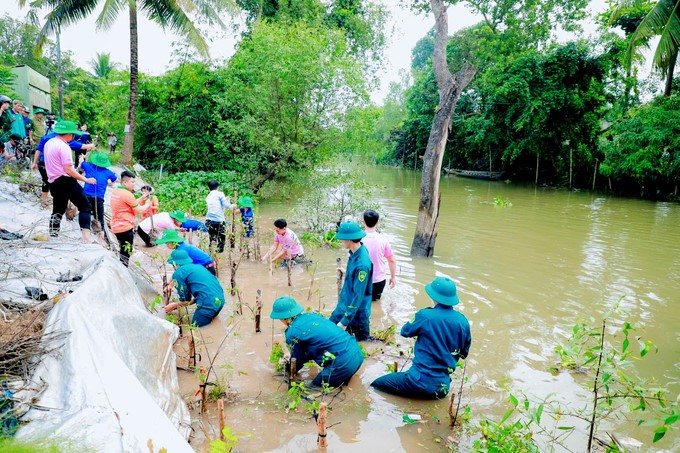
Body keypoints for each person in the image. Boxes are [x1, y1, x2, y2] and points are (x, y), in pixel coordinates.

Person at [371, 276, 472, 399]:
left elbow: (405, 331)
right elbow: (463, 353)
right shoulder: (463, 322)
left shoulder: (425, 315)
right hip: (443, 387)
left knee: (375, 385)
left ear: (433, 296)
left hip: (418, 382)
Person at [270, 296, 364, 388]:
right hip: (358, 353)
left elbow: (297, 360)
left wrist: (287, 371)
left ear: (283, 318)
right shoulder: (312, 315)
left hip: (343, 364)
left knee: (314, 387)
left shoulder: (292, 332)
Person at [43, 120, 96, 243]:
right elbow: (68, 170)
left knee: (58, 209)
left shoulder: (49, 143)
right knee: (85, 206)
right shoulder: (64, 147)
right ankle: (86, 238)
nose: (73, 137)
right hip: (65, 181)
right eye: (73, 134)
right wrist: (85, 179)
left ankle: (53, 235)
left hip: (53, 181)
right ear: (68, 134)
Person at [329, 221, 373, 341]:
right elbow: (357, 276)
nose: (341, 241)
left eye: (342, 239)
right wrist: (347, 273)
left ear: (348, 240)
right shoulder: (356, 252)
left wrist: (344, 322)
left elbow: (358, 297)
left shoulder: (362, 265)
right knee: (327, 332)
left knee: (363, 345)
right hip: (343, 305)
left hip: (357, 314)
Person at [32, 130, 95, 208]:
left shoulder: (46, 138)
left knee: (46, 181)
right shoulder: (64, 140)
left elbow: (38, 150)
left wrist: (34, 162)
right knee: (60, 185)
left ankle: (44, 201)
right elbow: (82, 146)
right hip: (55, 166)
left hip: (43, 163)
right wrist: (92, 145)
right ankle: (59, 204)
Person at [164, 249, 225, 327]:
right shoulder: (198, 266)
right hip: (220, 300)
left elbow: (186, 299)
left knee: (196, 329)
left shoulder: (178, 273)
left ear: (175, 263)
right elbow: (201, 293)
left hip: (208, 304)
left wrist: (175, 305)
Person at [110, 170, 151, 266]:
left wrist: (141, 198)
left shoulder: (116, 191)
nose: (134, 184)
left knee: (123, 249)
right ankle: (124, 270)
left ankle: (121, 267)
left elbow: (129, 204)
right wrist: (147, 204)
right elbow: (139, 210)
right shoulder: (128, 194)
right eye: (132, 182)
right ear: (125, 182)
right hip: (125, 227)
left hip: (116, 226)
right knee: (126, 252)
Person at [79, 152, 117, 243]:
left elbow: (81, 162)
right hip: (99, 198)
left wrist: (82, 157)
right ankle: (101, 238)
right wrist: (106, 182)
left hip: (86, 195)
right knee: (99, 217)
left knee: (85, 212)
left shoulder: (88, 166)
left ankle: (86, 234)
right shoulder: (108, 172)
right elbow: (114, 180)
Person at [362, 210, 397, 301]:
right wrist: (393, 277)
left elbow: (352, 260)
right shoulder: (383, 240)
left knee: (361, 302)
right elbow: (391, 260)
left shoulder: (357, 240)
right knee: (375, 302)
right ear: (378, 222)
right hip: (378, 280)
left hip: (361, 278)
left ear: (363, 222)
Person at [205, 179, 236, 253]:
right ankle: (219, 257)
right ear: (217, 187)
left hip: (209, 221)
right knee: (221, 241)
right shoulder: (220, 194)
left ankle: (212, 256)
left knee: (212, 240)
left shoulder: (208, 197)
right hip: (219, 221)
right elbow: (225, 204)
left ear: (209, 188)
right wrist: (232, 206)